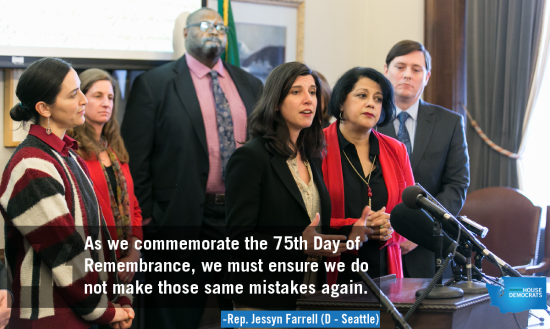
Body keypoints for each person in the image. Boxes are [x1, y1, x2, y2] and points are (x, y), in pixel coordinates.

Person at [121, 7, 263, 328]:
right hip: (179, 223)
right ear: (185, 33)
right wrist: (151, 219)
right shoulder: (154, 85)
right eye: (204, 25)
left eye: (220, 27)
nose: (213, 30)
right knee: (173, 320)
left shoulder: (251, 85)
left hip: (240, 222)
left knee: (244, 316)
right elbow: (135, 161)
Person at [225, 62, 371, 310]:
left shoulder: (312, 156)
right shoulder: (251, 157)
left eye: (313, 92)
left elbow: (310, 227)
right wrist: (297, 244)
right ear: (276, 101)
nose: (308, 100)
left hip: (312, 293)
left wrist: (350, 234)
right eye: (296, 91)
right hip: (264, 298)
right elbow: (239, 239)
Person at [0, 58, 134, 328]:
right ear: (44, 108)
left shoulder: (67, 154)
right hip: (52, 317)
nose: (84, 100)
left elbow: (95, 239)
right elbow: (65, 252)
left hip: (78, 310)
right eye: (74, 94)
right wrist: (104, 310)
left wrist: (117, 297)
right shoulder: (31, 165)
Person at [379, 40, 470, 278]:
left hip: (430, 249)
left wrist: (421, 231)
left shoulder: (449, 123)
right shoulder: (369, 121)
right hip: (378, 246)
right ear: (386, 70)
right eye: (400, 67)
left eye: (416, 69)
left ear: (427, 76)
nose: (407, 75)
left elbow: (456, 184)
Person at [322, 67, 415, 283]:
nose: (371, 103)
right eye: (362, 95)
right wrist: (356, 227)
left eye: (378, 99)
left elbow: (412, 218)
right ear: (342, 102)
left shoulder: (397, 150)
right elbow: (306, 218)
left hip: (385, 269)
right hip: (333, 268)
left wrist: (391, 226)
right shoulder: (316, 147)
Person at [68, 69, 143, 286]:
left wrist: (134, 254)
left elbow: (134, 206)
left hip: (124, 263)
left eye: (110, 97)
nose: (106, 103)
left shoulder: (114, 150)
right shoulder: (72, 150)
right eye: (97, 96)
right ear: (81, 98)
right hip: (91, 266)